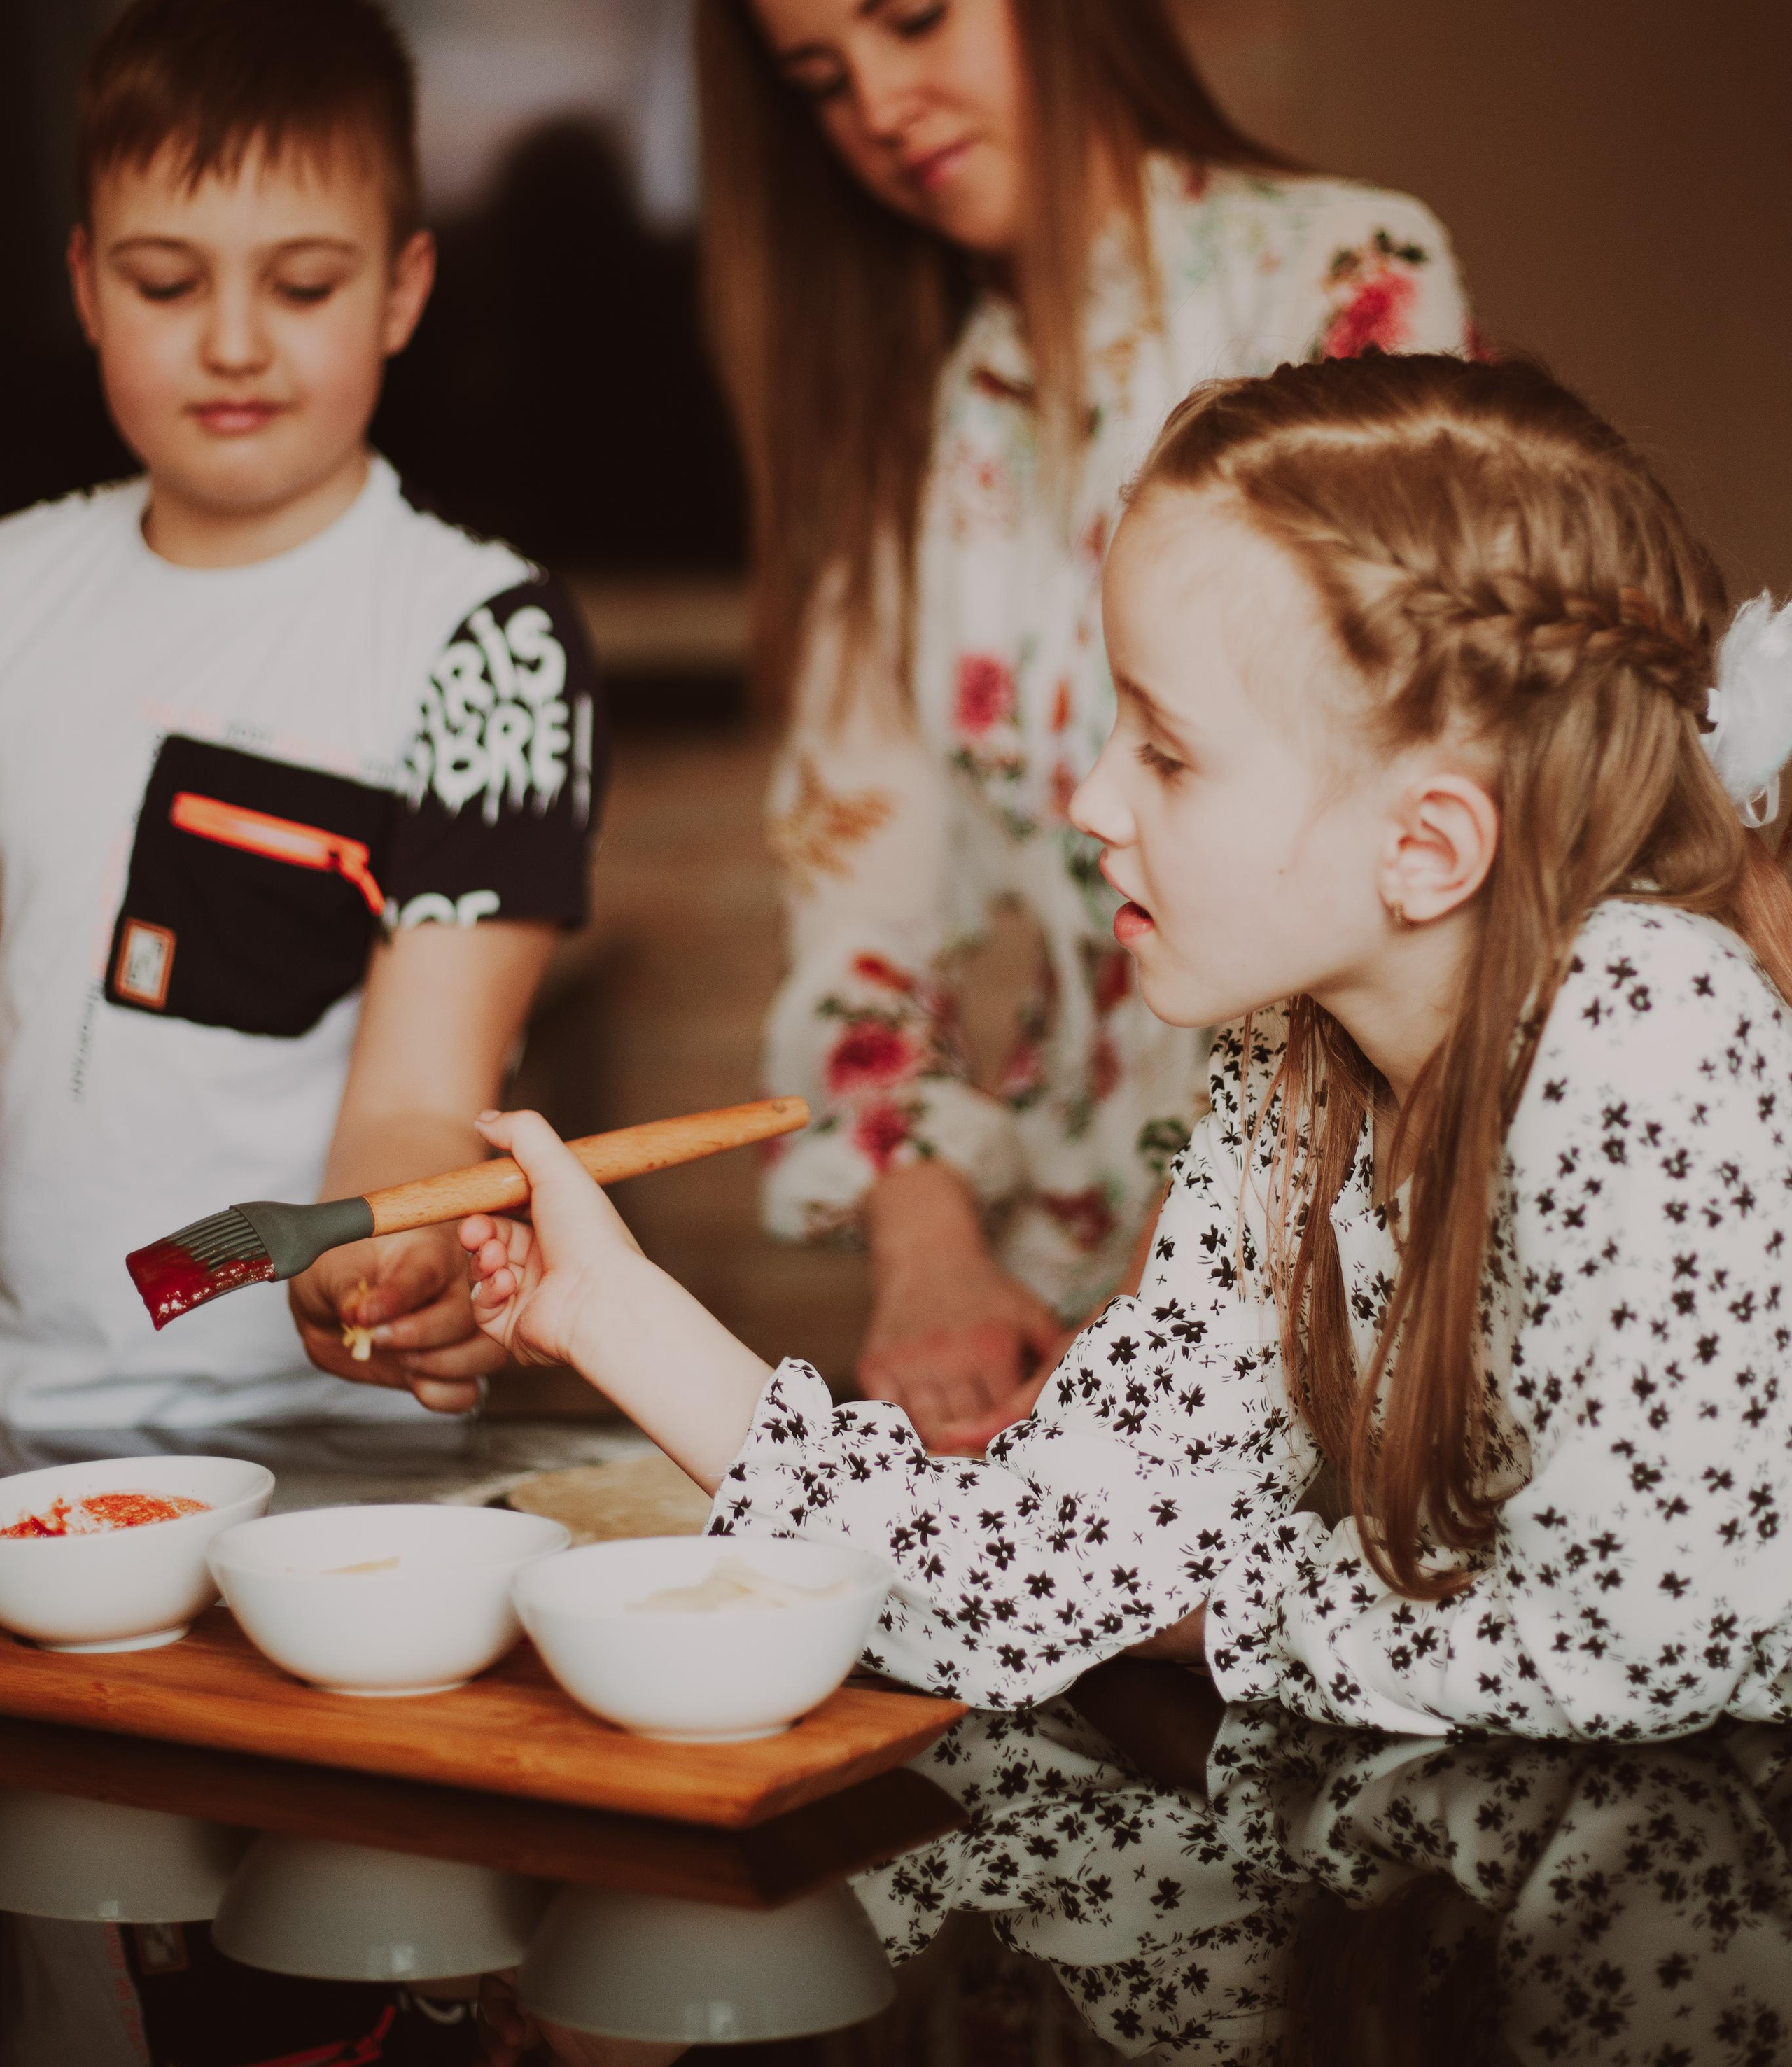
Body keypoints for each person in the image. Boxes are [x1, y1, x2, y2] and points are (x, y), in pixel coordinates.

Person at [458, 355, 1792, 1740]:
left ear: (1424, 847)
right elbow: (1056, 1557)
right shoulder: (1296, 1062)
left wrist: (1230, 1611)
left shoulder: (1649, 1039)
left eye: (1164, 752)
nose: (1090, 800)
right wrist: (606, 1312)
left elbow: (1633, 1649)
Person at [696, 0, 1471, 1450]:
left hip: (1345, 1258)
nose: (876, 106)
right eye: (818, 76)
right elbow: (860, 892)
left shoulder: (1344, 277)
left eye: (910, 17)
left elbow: (1406, 836)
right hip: (1029, 1302)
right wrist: (925, 1256)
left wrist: (1186, 1306)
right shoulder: (885, 422)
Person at [0, 0, 604, 1429]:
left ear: (401, 289)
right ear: (86, 284)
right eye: (165, 281)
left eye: (303, 283)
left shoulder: (487, 641)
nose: (231, 341)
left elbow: (416, 1098)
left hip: (319, 1443)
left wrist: (377, 1258)